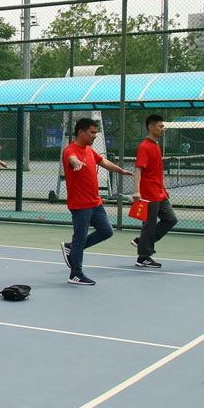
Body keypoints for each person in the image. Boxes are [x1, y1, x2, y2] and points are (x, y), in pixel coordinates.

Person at [60, 118, 132, 285]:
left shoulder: (89, 151)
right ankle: (75, 274)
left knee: (106, 231)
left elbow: (103, 161)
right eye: (92, 132)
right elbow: (71, 158)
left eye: (96, 132)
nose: (95, 136)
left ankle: (72, 248)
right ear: (81, 132)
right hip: (80, 205)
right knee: (80, 238)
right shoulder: (70, 150)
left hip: (95, 202)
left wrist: (119, 170)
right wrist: (76, 162)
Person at [131, 115, 177, 268]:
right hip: (148, 193)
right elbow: (138, 169)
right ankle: (143, 257)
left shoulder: (156, 146)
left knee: (171, 219)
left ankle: (142, 241)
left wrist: (163, 188)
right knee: (149, 225)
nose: (163, 129)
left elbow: (157, 171)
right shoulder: (144, 147)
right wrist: (137, 191)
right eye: (161, 126)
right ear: (151, 127)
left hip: (159, 193)